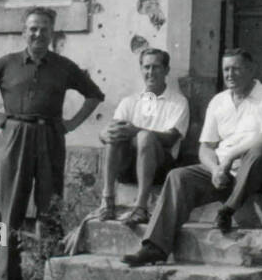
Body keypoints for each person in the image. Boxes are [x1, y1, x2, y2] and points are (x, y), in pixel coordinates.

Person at [0, 8, 103, 280]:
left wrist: (71, 124)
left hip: (50, 135)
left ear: (53, 34)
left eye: (44, 29)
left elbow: (95, 94)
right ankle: (6, 279)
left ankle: (50, 276)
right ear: (24, 32)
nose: (38, 34)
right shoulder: (7, 64)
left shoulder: (63, 67)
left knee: (50, 205)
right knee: (10, 207)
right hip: (16, 134)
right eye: (33, 29)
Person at [122, 48, 262, 267]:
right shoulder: (218, 101)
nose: (230, 74)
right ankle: (154, 247)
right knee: (179, 176)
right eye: (226, 69)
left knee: (258, 154)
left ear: (251, 69)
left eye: (236, 68)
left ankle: (228, 209)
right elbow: (205, 148)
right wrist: (215, 169)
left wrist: (230, 157)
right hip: (227, 172)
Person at [77, 48, 190, 233]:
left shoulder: (178, 101)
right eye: (146, 67)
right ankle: (108, 200)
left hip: (161, 167)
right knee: (114, 133)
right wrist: (103, 134)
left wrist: (138, 131)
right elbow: (110, 132)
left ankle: (141, 207)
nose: (150, 72)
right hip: (129, 166)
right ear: (141, 69)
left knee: (145, 136)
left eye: (156, 67)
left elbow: (171, 139)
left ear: (166, 70)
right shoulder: (130, 101)